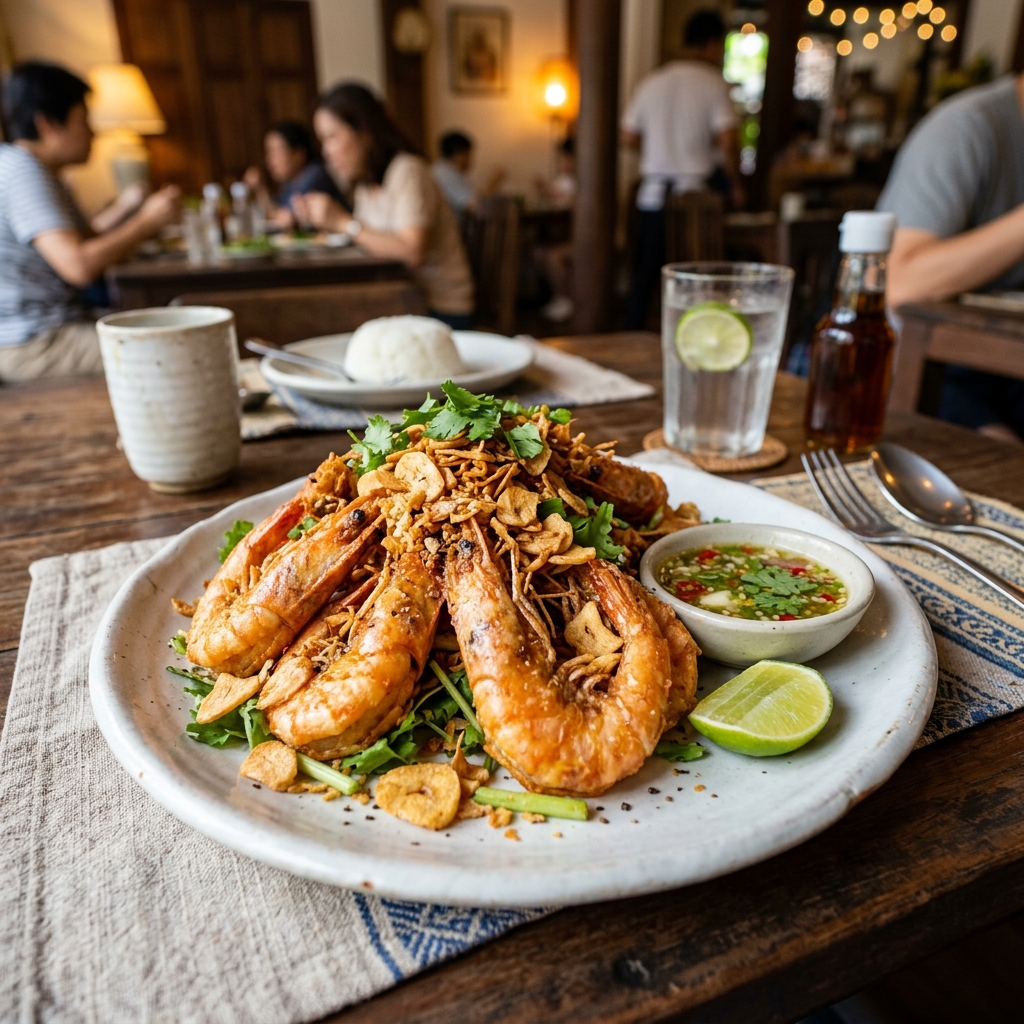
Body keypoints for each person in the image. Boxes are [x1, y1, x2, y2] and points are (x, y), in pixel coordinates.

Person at [0, 62, 180, 383]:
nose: (92, 132)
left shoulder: (34, 169)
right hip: (34, 343)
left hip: (52, 328)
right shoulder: (22, 173)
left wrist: (128, 208)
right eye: (83, 120)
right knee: (166, 349)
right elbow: (79, 265)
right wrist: (147, 222)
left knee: (164, 325)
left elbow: (83, 238)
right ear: (47, 124)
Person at [878, 74, 1024, 442]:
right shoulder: (965, 127)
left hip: (1004, 363)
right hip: (923, 365)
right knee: (1005, 457)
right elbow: (903, 284)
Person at [291, 83, 474, 329]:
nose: (326, 152)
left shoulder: (407, 170)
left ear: (364, 131)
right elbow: (370, 242)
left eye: (331, 137)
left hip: (441, 308)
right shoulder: (367, 184)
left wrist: (342, 222)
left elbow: (412, 253)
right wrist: (325, 223)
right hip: (401, 300)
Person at [620, 9, 743, 329]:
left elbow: (628, 136)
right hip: (696, 198)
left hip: (652, 194)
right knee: (697, 276)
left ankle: (634, 335)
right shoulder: (713, 83)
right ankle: (698, 334)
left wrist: (659, 150)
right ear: (713, 44)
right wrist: (735, 184)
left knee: (644, 276)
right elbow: (728, 141)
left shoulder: (652, 82)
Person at [243, 121, 342, 230]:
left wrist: (260, 190)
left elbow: (285, 219)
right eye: (268, 152)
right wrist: (260, 189)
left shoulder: (314, 174)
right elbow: (276, 213)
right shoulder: (290, 183)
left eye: (277, 150)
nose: (270, 160)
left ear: (298, 154)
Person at [533, 137, 577, 322]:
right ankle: (560, 298)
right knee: (539, 252)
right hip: (566, 237)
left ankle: (567, 300)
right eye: (561, 159)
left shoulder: (586, 180)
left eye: (566, 159)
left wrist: (547, 191)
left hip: (584, 242)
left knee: (553, 256)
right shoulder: (564, 180)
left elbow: (568, 201)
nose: (562, 163)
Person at [430, 130, 504, 220]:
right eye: (468, 154)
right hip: (452, 226)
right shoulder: (446, 174)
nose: (471, 160)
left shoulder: (440, 169)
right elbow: (477, 206)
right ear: (458, 154)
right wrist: (493, 182)